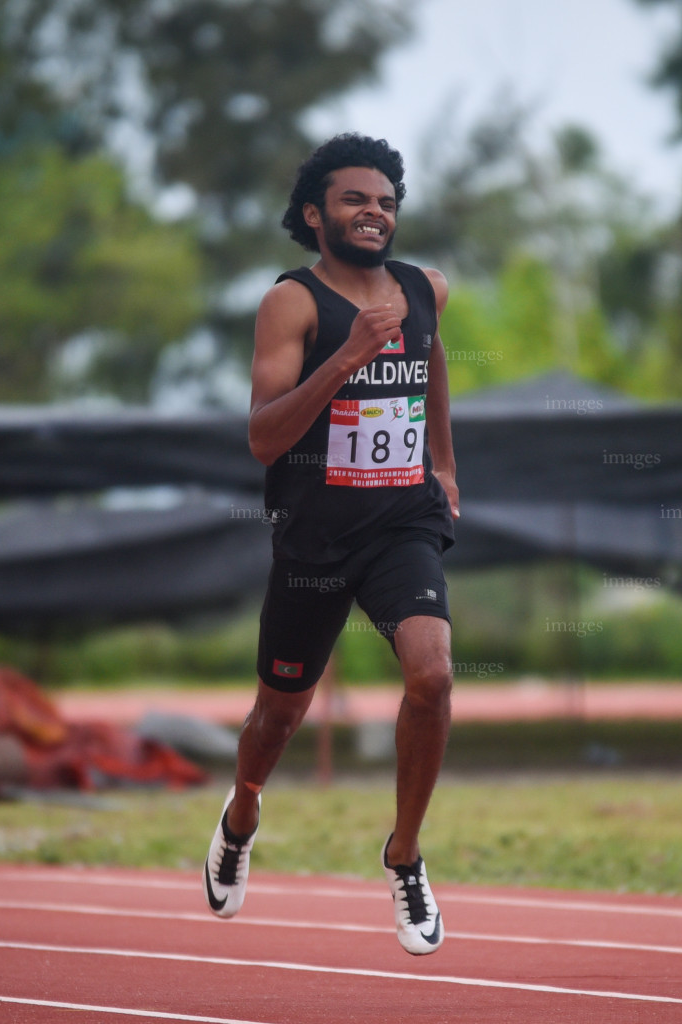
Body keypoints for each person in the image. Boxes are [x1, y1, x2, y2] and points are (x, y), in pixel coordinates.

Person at [203, 134, 459, 956]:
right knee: (277, 717)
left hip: (400, 523)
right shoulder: (293, 303)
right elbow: (263, 437)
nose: (374, 213)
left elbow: (432, 363)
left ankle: (405, 855)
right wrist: (349, 356)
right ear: (315, 213)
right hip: (315, 536)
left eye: (386, 201)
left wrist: (444, 465)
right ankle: (242, 815)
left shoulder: (426, 290)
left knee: (434, 674)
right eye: (356, 199)